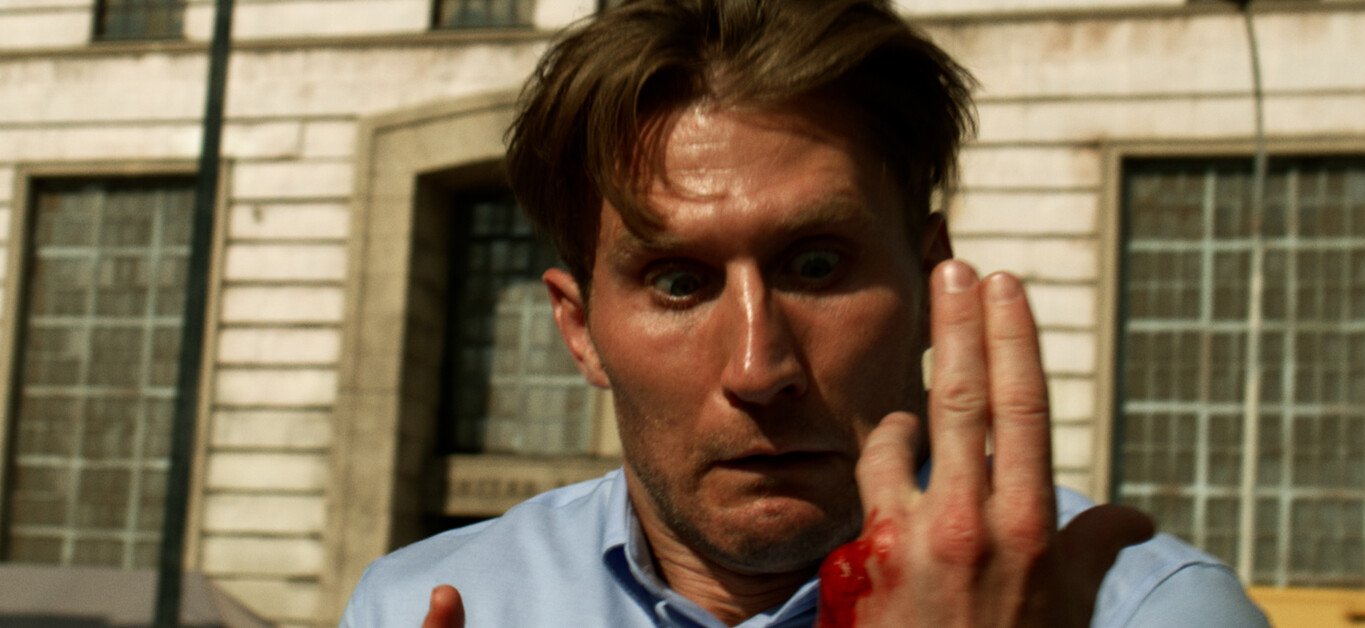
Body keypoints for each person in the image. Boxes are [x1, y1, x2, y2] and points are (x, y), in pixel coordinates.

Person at [341, 0, 1269, 625]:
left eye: (816, 266)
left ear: (929, 282)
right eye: (677, 283)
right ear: (580, 331)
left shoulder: (1146, 611)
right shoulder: (423, 603)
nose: (759, 368)